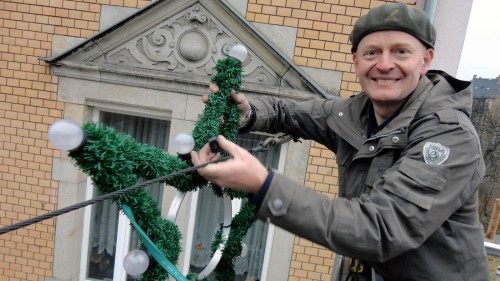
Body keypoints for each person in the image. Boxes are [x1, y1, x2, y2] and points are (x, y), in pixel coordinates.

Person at [191, 3, 488, 281]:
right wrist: (250, 112)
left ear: (425, 61)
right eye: (372, 53)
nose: (385, 65)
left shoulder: (447, 134)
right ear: (356, 62)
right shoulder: (355, 114)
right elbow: (290, 112)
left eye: (400, 52)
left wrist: (262, 185)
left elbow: (381, 229)